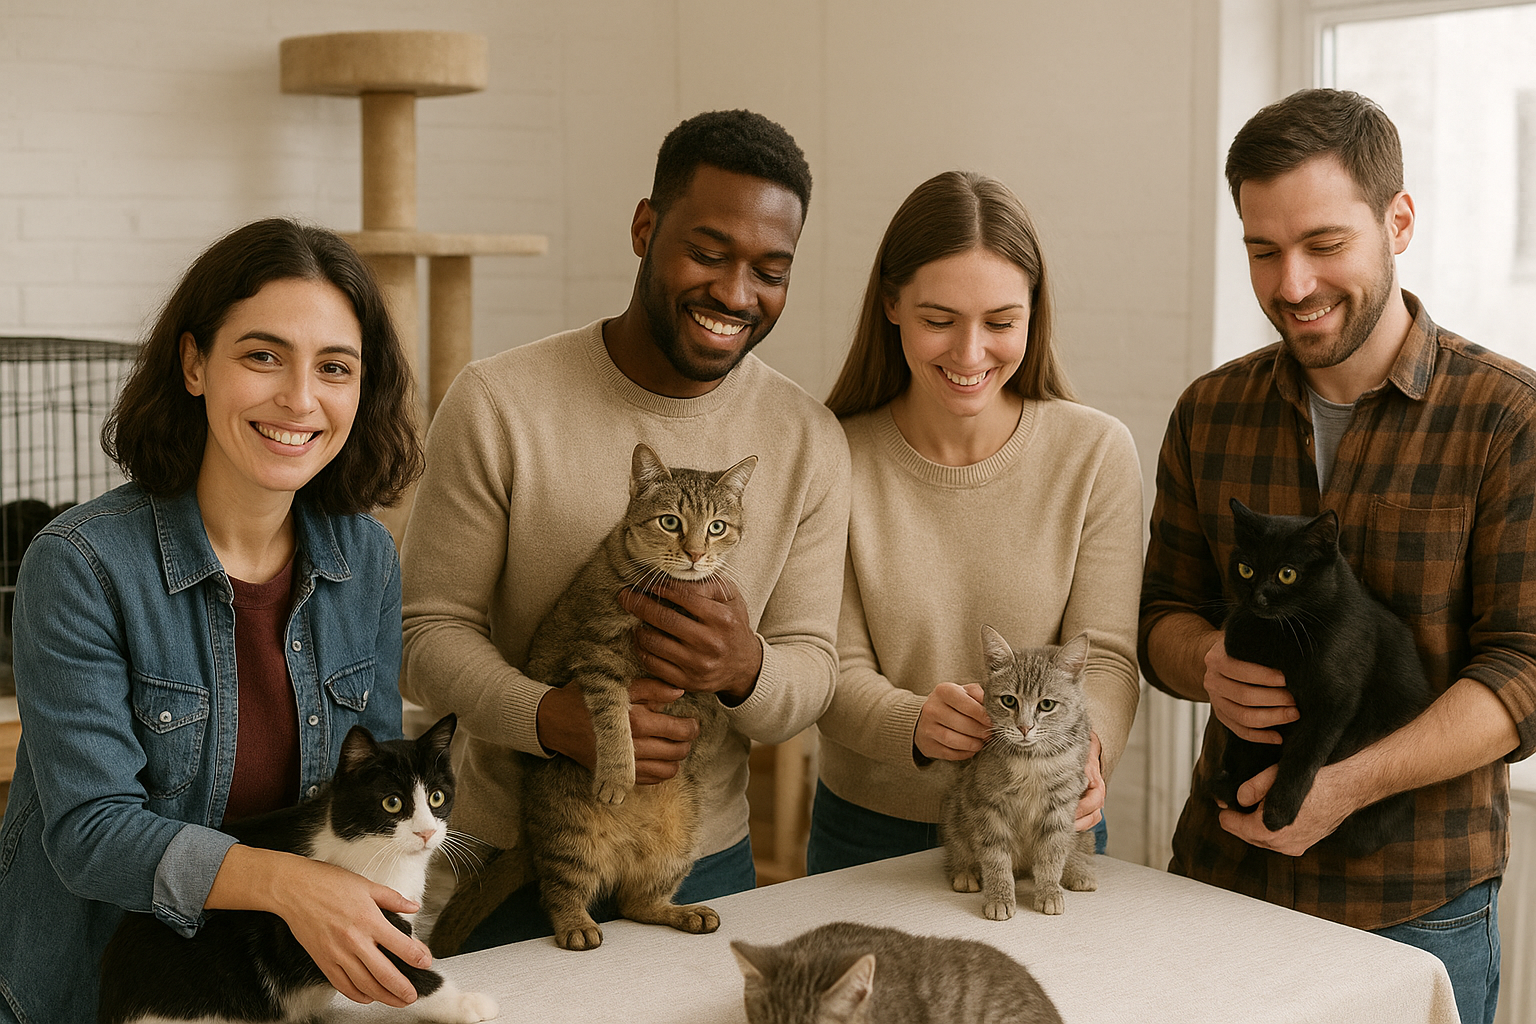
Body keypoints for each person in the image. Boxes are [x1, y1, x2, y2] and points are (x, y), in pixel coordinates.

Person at [400, 109, 850, 951]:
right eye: (709, 254)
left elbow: (814, 672)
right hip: (521, 853)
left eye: (771, 270)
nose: (737, 293)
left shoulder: (809, 438)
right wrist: (548, 717)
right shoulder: (500, 403)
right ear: (645, 229)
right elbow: (423, 637)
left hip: (697, 860)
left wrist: (746, 668)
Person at [1140, 88, 1534, 1024]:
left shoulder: (1506, 418)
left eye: (1324, 245)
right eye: (1263, 251)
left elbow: (1525, 670)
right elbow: (1160, 618)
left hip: (1412, 911)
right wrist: (1205, 661)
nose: (1293, 285)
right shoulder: (1208, 413)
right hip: (1217, 884)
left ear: (1398, 221)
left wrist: (1338, 785)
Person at [0, 219, 427, 1023]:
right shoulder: (80, 565)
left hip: (277, 990)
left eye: (334, 368)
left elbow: (377, 792)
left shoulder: (365, 556)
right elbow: (91, 834)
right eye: (263, 356)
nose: (301, 399)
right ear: (195, 364)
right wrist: (291, 883)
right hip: (99, 996)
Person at [807, 170, 1144, 873]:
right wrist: (914, 725)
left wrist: (1089, 752)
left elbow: (1106, 656)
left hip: (1042, 824)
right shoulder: (831, 451)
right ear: (892, 305)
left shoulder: (1095, 453)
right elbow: (825, 665)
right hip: (869, 836)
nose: (969, 355)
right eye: (938, 320)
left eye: (1000, 323)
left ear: (1034, 313)